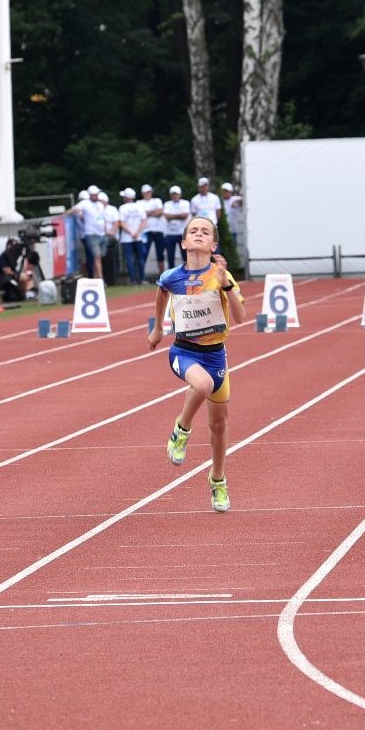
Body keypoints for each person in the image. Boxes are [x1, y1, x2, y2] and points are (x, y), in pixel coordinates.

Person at [148, 215, 250, 512]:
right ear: (183, 242)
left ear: (213, 244)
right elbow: (160, 293)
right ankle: (181, 430)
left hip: (216, 354)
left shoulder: (221, 276)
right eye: (193, 231)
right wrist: (157, 328)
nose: (198, 234)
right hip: (183, 352)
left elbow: (242, 317)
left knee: (219, 426)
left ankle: (217, 480)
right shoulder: (171, 276)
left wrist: (225, 287)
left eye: (205, 232)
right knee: (202, 384)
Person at [117, 186, 150, 285]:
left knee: (129, 259)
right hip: (138, 236)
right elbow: (144, 221)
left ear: (127, 197)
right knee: (140, 258)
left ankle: (133, 280)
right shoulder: (139, 206)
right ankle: (142, 278)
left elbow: (122, 222)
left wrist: (131, 232)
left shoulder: (122, 207)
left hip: (127, 238)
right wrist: (137, 232)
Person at [0, 233, 41, 303]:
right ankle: (23, 294)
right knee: (22, 277)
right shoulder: (3, 257)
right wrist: (18, 275)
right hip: (3, 280)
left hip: (13, 277)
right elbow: (7, 271)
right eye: (12, 246)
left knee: (28, 276)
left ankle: (27, 294)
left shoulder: (15, 257)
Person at [160, 185, 191, 278]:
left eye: (176, 194)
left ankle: (187, 274)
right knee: (170, 256)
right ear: (170, 195)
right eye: (173, 194)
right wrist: (178, 215)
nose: (175, 196)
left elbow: (185, 215)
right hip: (170, 233)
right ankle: (172, 276)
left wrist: (172, 216)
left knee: (185, 255)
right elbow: (166, 216)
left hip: (182, 233)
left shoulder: (185, 203)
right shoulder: (167, 204)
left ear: (180, 194)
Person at [137, 183, 167, 275]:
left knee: (160, 254)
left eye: (149, 192)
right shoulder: (139, 203)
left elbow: (160, 212)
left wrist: (146, 213)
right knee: (143, 254)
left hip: (158, 230)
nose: (147, 194)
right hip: (145, 231)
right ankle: (141, 276)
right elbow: (140, 215)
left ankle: (162, 276)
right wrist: (153, 212)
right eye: (145, 192)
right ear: (142, 193)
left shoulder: (157, 200)